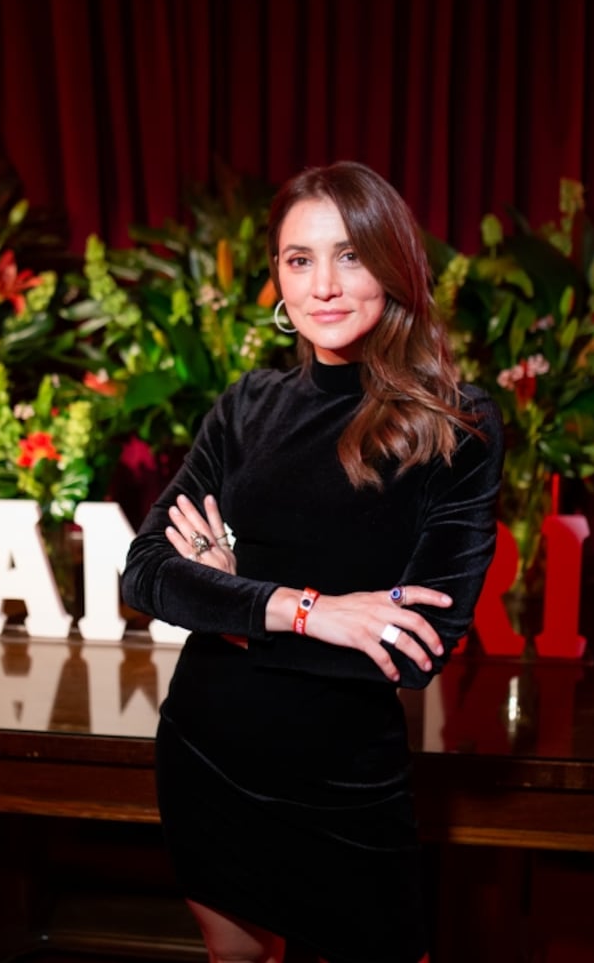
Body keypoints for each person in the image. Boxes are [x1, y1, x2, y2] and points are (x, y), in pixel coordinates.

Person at [121, 161, 503, 963]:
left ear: (393, 265)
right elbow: (146, 572)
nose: (323, 284)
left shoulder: (455, 425)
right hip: (209, 752)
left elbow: (411, 649)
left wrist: (226, 595)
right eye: (300, 259)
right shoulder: (245, 406)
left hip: (346, 782)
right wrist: (309, 608)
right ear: (276, 278)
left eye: (350, 255)